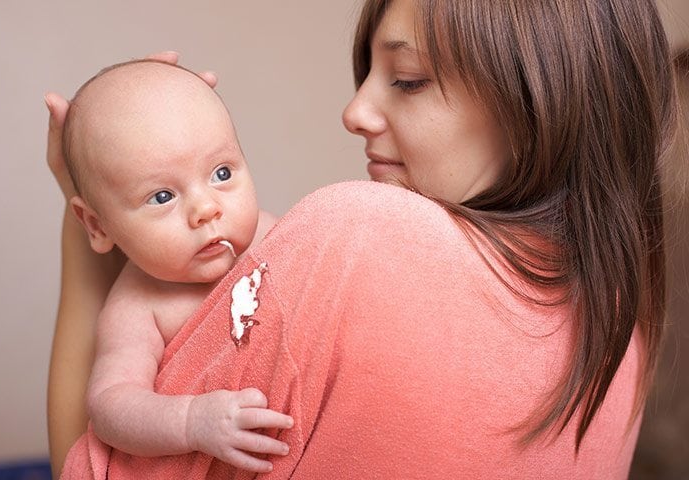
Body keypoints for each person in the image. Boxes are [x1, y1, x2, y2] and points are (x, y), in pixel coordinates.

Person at [45, 0, 679, 478]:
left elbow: (92, 464)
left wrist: (91, 233)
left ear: (543, 97)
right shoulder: (623, 311)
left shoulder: (356, 238)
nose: (354, 111)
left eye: (407, 79)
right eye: (163, 194)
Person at [57, 59, 292, 474]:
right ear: (96, 225)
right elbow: (111, 405)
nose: (206, 209)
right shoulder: (138, 306)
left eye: (222, 173)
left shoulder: (279, 236)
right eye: (162, 196)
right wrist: (191, 421)